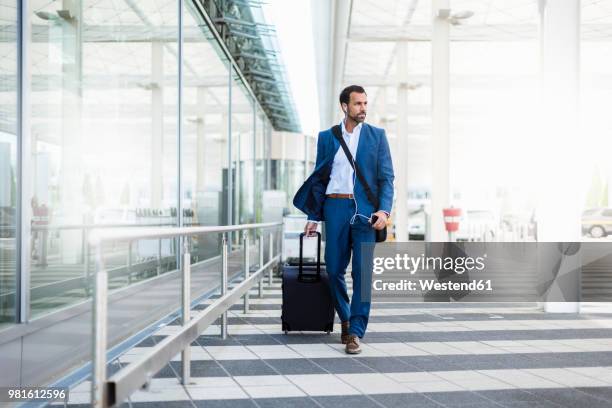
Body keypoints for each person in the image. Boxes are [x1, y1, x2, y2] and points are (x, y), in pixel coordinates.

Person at [293, 85, 395, 354]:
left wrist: (384, 211)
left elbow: (387, 178)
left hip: (365, 214)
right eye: (358, 104)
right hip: (334, 208)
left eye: (365, 103)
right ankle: (346, 317)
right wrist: (314, 216)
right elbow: (319, 178)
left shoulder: (377, 136)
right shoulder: (327, 137)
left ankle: (355, 332)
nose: (363, 108)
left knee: (363, 274)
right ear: (344, 106)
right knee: (335, 269)